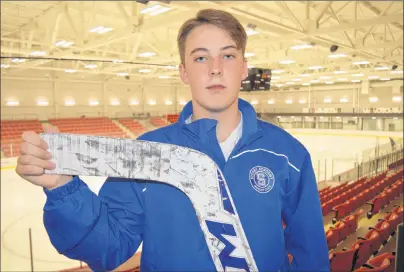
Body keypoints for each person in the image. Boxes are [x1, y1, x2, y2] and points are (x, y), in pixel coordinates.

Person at [16, 9, 330, 272]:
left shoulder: (287, 154)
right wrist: (63, 188)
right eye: (201, 58)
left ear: (244, 67)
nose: (216, 69)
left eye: (228, 55)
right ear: (183, 71)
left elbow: (310, 254)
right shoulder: (147, 154)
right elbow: (107, 248)